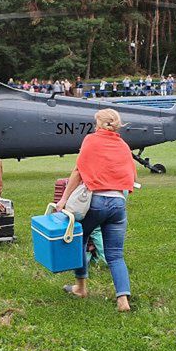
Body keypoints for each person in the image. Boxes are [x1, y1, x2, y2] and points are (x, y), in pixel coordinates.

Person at [59, 108, 137, 312]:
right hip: (118, 203)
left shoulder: (91, 141)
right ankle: (123, 300)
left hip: (95, 201)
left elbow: (78, 171)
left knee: (80, 242)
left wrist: (64, 199)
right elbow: (132, 178)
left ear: (99, 124)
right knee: (116, 255)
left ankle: (81, 288)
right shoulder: (123, 145)